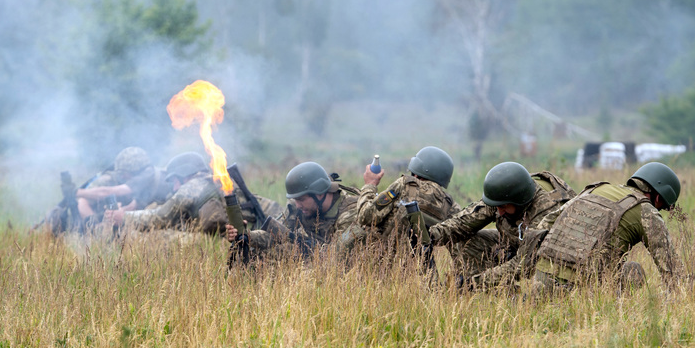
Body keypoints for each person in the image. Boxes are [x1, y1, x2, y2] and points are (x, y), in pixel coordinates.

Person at [533, 162, 687, 293]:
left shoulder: (594, 189)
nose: (658, 210)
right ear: (658, 197)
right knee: (633, 271)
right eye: (661, 207)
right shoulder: (646, 211)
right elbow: (673, 271)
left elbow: (544, 225)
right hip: (580, 289)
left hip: (541, 281)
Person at [429, 161, 577, 290]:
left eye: (504, 207)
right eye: (496, 206)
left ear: (520, 202)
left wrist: (473, 282)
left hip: (551, 259)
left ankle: (509, 297)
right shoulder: (504, 194)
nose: (499, 212)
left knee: (539, 290)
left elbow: (523, 265)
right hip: (517, 244)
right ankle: (488, 293)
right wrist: (431, 236)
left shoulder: (544, 213)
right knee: (465, 240)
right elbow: (463, 222)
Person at [106, 152, 282, 233]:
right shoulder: (212, 182)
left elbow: (160, 218)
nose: (174, 188)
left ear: (184, 176)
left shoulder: (193, 187)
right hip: (265, 228)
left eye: (174, 181)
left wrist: (125, 218)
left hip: (259, 234)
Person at [354, 146, 464, 266]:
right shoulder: (449, 205)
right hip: (419, 273)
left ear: (417, 171)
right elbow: (459, 246)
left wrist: (370, 185)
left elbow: (366, 216)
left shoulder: (405, 184)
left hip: (382, 266)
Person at [225, 161, 360, 259]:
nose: (297, 205)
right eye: (295, 199)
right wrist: (248, 236)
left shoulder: (349, 211)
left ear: (319, 194)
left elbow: (338, 257)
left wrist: (299, 249)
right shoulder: (297, 207)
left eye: (301, 199)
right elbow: (272, 235)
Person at [43, 147, 171, 234]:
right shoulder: (110, 179)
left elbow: (119, 193)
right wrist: (94, 225)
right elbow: (84, 201)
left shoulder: (147, 176)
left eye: (125, 174)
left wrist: (75, 192)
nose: (123, 177)